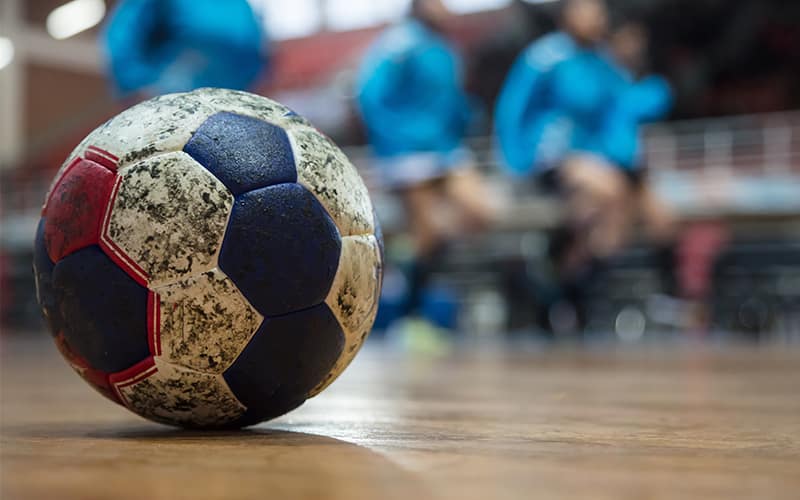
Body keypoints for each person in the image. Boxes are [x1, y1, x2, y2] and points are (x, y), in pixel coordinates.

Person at [494, 0, 676, 330]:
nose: (597, 17)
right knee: (610, 195)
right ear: (568, 14)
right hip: (553, 157)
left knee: (644, 217)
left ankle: (566, 294)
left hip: (596, 161)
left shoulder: (600, 60)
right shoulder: (545, 56)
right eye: (588, 9)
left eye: (599, 11)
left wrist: (658, 92)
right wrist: (517, 160)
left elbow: (621, 106)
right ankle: (565, 293)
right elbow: (512, 109)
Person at [356, 0, 493, 338]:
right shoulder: (399, 43)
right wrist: (395, 140)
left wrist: (467, 119)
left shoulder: (444, 49)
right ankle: (411, 315)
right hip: (407, 155)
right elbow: (370, 95)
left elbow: (452, 101)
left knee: (482, 211)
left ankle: (409, 257)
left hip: (446, 150)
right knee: (427, 232)